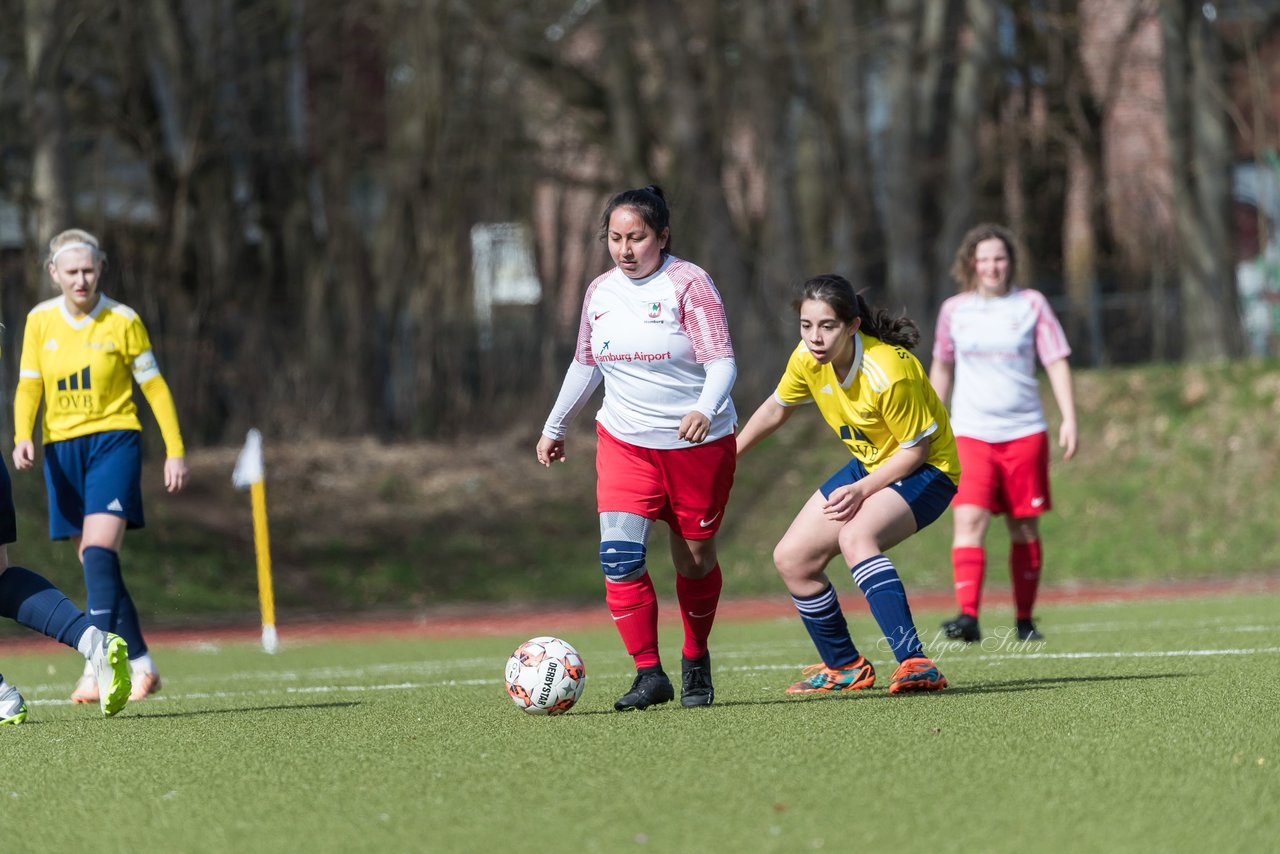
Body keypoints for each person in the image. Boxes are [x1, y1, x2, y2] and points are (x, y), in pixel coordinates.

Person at [536, 185, 737, 711]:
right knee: (619, 557)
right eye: (615, 238)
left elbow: (722, 362)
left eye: (637, 238)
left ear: (662, 235)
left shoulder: (688, 284)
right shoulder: (600, 291)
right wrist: (555, 426)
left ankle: (696, 656)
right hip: (625, 443)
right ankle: (650, 672)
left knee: (694, 560)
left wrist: (705, 409)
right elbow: (586, 363)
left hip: (697, 445)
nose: (625, 249)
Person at [736, 274, 955, 695]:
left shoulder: (889, 371)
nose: (814, 337)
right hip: (872, 464)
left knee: (857, 536)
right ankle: (846, 667)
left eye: (827, 326)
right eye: (806, 325)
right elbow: (776, 409)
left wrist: (862, 490)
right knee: (792, 559)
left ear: (852, 326)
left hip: (930, 470)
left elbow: (916, 452)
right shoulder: (806, 358)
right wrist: (728, 456)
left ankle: (915, 661)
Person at [12, 228, 189, 704]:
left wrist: (174, 448)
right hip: (62, 450)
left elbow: (153, 387)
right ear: (54, 274)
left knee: (96, 553)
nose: (81, 279)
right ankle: (142, 664)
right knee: (96, 562)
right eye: (71, 271)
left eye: (89, 269)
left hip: (114, 441)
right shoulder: (39, 321)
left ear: (101, 268)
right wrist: (22, 434)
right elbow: (29, 386)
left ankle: (97, 665)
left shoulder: (123, 320)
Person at [929, 223, 1077, 643]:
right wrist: (930, 422)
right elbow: (941, 367)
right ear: (970, 264)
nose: (992, 266)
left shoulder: (1031, 305)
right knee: (969, 518)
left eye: (1000, 258)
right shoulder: (954, 310)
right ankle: (969, 617)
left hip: (1025, 432)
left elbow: (1057, 361)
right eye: (984, 259)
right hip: (971, 433)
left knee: (1024, 528)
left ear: (1010, 263)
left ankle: (1025, 619)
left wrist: (1069, 418)